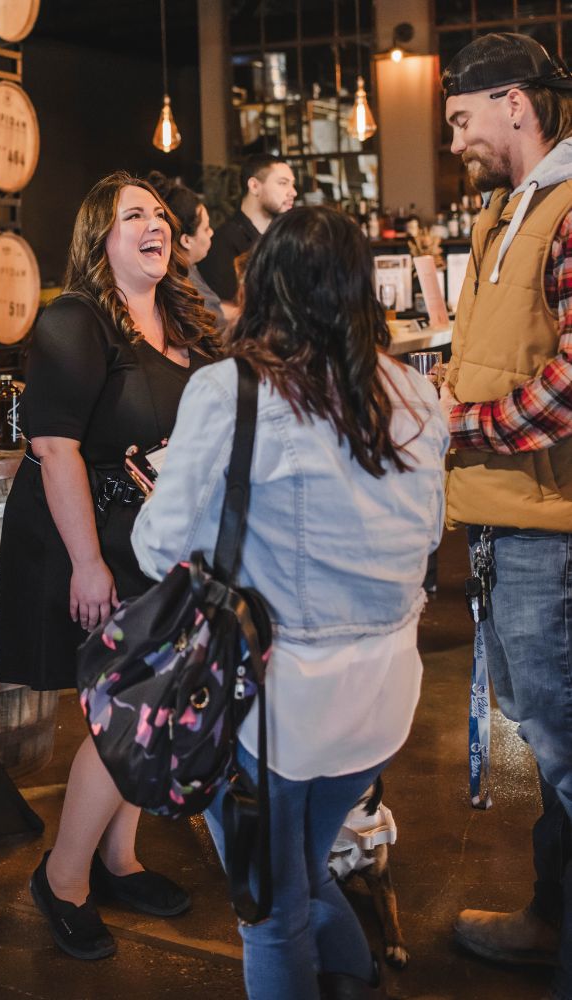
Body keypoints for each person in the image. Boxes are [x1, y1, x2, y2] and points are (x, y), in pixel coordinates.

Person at [131, 205, 448, 1000]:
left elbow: (155, 546)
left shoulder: (233, 388)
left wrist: (176, 496)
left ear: (263, 282)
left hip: (281, 705)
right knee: (302, 874)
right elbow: (424, 534)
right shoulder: (414, 395)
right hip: (383, 697)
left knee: (269, 913)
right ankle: (352, 983)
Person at [0, 171, 219, 960]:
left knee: (142, 707)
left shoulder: (184, 315)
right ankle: (63, 879)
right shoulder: (74, 320)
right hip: (83, 536)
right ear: (101, 236)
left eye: (160, 214)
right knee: (130, 711)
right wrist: (86, 563)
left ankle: (118, 859)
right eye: (134, 216)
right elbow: (53, 447)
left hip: (155, 539)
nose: (154, 224)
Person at [438, 32, 572, 1000]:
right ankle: (548, 922)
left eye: (460, 117)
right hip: (507, 514)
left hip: (549, 526)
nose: (453, 139)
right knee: (542, 729)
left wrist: (467, 425)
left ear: (515, 104)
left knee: (560, 739)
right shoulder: (501, 212)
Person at [197, 152, 297, 313]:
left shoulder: (285, 238)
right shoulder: (223, 241)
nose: (293, 192)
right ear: (254, 186)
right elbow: (221, 311)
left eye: (292, 184)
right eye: (283, 183)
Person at [147, 171, 227, 330]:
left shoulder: (183, 270)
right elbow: (218, 328)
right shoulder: (184, 284)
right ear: (186, 240)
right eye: (206, 228)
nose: (211, 232)